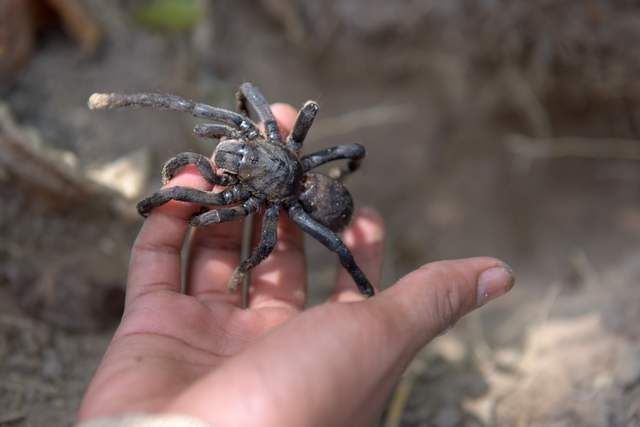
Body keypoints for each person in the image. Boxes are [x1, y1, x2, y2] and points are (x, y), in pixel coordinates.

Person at [77, 103, 514, 427]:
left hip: (311, 201)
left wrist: (243, 264)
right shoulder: (264, 136)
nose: (230, 151)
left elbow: (256, 238)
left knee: (324, 242)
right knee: (204, 197)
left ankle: (364, 293)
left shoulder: (260, 193)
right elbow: (345, 146)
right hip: (304, 182)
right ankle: (363, 287)